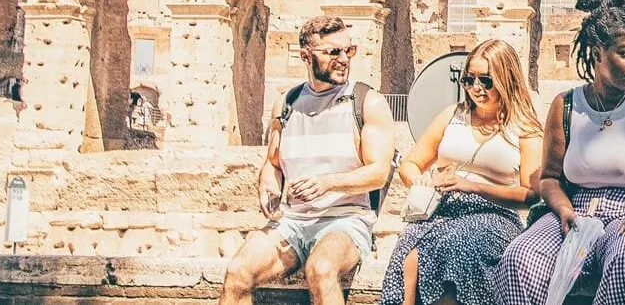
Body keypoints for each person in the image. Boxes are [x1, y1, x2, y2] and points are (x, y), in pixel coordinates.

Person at [491, 0, 625, 305]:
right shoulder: (567, 105)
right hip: (578, 211)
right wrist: (562, 209)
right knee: (521, 257)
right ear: (598, 53)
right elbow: (549, 178)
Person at [221, 16, 398, 305]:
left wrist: (327, 183)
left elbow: (378, 172)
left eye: (348, 51)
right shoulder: (287, 102)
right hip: (292, 222)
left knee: (321, 269)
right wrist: (268, 187)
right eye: (333, 52)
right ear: (305, 56)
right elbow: (273, 164)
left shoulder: (367, 101)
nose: (343, 59)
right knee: (237, 272)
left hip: (346, 220)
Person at [381, 40, 545, 305]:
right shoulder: (452, 115)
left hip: (492, 214)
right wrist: (421, 181)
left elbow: (531, 195)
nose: (476, 88)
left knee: (458, 243)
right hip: (441, 210)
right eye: (469, 80)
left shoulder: (526, 129)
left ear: (506, 79)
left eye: (486, 81)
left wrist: (474, 186)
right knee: (409, 251)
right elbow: (409, 165)